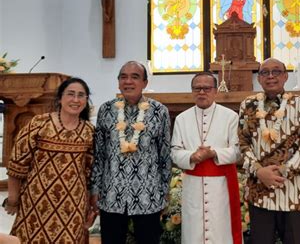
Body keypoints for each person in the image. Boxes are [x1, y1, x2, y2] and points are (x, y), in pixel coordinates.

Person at [4, 77, 95, 243]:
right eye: (71, 94)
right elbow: (17, 165)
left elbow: (90, 174)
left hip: (72, 206)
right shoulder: (39, 123)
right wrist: (13, 200)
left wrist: (90, 207)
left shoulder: (89, 131)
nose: (76, 99)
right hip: (36, 203)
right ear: (60, 98)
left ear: (86, 100)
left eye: (81, 95)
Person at [90, 61, 171, 244]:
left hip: (147, 194)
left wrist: (165, 190)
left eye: (135, 77)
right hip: (111, 193)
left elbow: (164, 154)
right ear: (118, 82)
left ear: (145, 83)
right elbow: (99, 153)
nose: (128, 81)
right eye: (123, 77)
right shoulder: (106, 110)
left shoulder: (160, 112)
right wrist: (95, 188)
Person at [238, 58, 300, 244]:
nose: (270, 76)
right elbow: (242, 142)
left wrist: (283, 171)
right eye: (265, 72)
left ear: (286, 76)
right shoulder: (248, 105)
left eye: (276, 71)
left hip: (293, 191)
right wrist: (258, 170)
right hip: (259, 190)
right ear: (259, 78)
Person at [171, 72, 242, 243]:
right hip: (192, 187)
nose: (201, 92)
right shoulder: (182, 119)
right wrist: (192, 157)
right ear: (192, 91)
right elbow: (174, 151)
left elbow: (238, 151)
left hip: (221, 187)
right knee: (193, 232)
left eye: (206, 88)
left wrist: (214, 153)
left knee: (221, 231)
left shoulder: (230, 117)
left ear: (215, 91)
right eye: (197, 88)